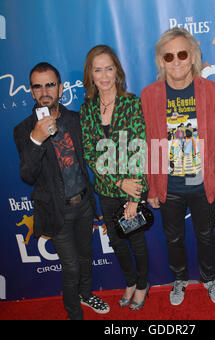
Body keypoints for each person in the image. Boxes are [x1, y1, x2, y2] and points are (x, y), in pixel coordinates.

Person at [13, 62, 110, 320]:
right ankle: (74, 313)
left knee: (87, 258)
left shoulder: (75, 120)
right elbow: (27, 175)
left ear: (61, 88)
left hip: (84, 205)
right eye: (38, 86)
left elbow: (95, 157)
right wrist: (36, 138)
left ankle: (86, 294)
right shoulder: (24, 130)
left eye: (50, 84)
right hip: (57, 211)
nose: (44, 91)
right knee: (71, 268)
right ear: (32, 92)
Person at [141, 28, 215, 306]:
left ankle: (210, 279)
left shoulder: (213, 91)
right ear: (160, 61)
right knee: (174, 239)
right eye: (169, 56)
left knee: (206, 236)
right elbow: (149, 143)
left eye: (182, 53)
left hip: (203, 182)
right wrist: (152, 187)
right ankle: (179, 279)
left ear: (192, 57)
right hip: (170, 185)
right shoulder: (150, 94)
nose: (176, 61)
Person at [80, 45, 150, 311]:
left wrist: (134, 195)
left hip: (132, 188)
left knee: (136, 241)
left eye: (109, 68)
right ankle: (130, 282)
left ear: (117, 72)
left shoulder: (130, 103)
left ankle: (143, 285)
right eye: (98, 70)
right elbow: (90, 153)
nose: (104, 75)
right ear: (91, 74)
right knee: (117, 242)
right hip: (106, 191)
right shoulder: (86, 110)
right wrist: (117, 183)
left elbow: (139, 148)